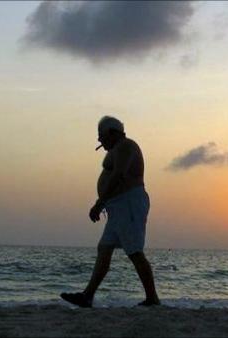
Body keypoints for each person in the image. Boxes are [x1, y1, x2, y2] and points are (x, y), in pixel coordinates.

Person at [61, 116, 160, 307]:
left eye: (102, 136)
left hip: (128, 203)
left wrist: (100, 203)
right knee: (104, 248)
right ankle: (87, 295)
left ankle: (152, 298)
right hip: (117, 207)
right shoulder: (117, 148)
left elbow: (118, 174)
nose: (100, 141)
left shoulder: (126, 146)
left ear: (113, 133)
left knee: (135, 252)